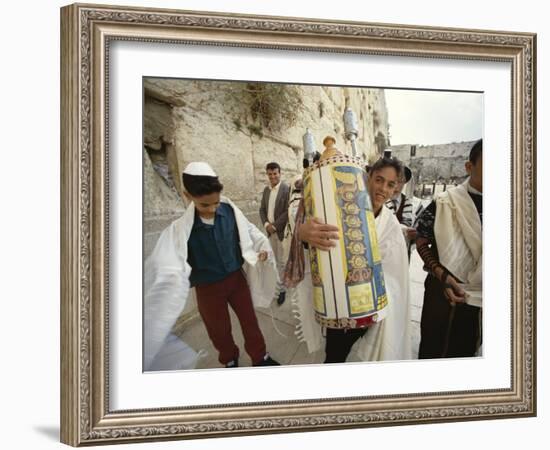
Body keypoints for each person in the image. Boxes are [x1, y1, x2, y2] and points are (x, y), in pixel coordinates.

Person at [144, 162, 280, 370]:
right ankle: (229, 358)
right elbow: (166, 262)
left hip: (236, 280)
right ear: (187, 195)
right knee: (218, 330)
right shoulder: (180, 230)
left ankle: (260, 356)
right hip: (207, 289)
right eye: (204, 205)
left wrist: (261, 247)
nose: (212, 209)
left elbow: (250, 230)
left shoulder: (230, 211)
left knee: (249, 320)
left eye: (215, 203)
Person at [286, 157, 412, 363]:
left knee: (360, 357)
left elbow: (395, 276)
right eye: (379, 180)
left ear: (396, 189)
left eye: (390, 185)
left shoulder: (391, 225)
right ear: (368, 177)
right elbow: (320, 240)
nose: (383, 189)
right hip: (336, 302)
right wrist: (303, 233)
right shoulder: (340, 207)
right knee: (335, 355)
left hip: (370, 310)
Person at [416, 139, 483, 358]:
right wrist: (443, 275)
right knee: (434, 348)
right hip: (440, 291)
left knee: (465, 349)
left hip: (480, 296)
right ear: (469, 166)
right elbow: (421, 239)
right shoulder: (445, 201)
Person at [259, 162, 290, 305]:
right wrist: (266, 224)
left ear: (279, 173)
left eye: (275, 173)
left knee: (282, 262)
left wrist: (275, 226)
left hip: (281, 232)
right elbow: (262, 210)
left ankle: (282, 290)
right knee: (274, 261)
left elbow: (287, 211)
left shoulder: (286, 189)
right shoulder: (266, 190)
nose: (272, 176)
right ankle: (277, 287)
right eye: (270, 174)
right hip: (269, 232)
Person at [386, 165, 416, 257]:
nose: (396, 186)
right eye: (394, 181)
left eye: (401, 181)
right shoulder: (378, 201)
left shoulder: (410, 204)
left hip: (401, 254)